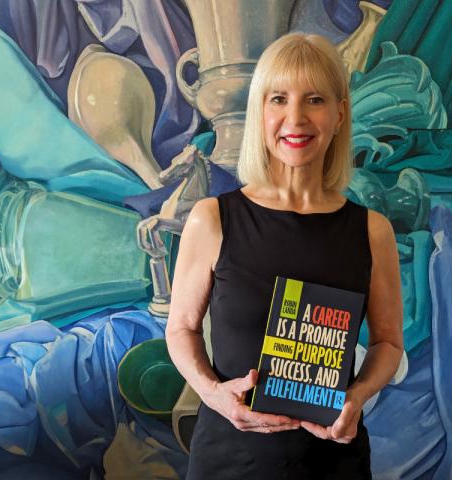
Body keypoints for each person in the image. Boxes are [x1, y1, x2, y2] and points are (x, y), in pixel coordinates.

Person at [165, 32, 404, 479]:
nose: (295, 118)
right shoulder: (212, 219)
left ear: (339, 114)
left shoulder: (372, 231)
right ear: (260, 112)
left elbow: (389, 343)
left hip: (334, 463)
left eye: (314, 99)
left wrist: (360, 394)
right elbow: (180, 329)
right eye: (279, 98)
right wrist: (214, 394)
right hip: (227, 461)